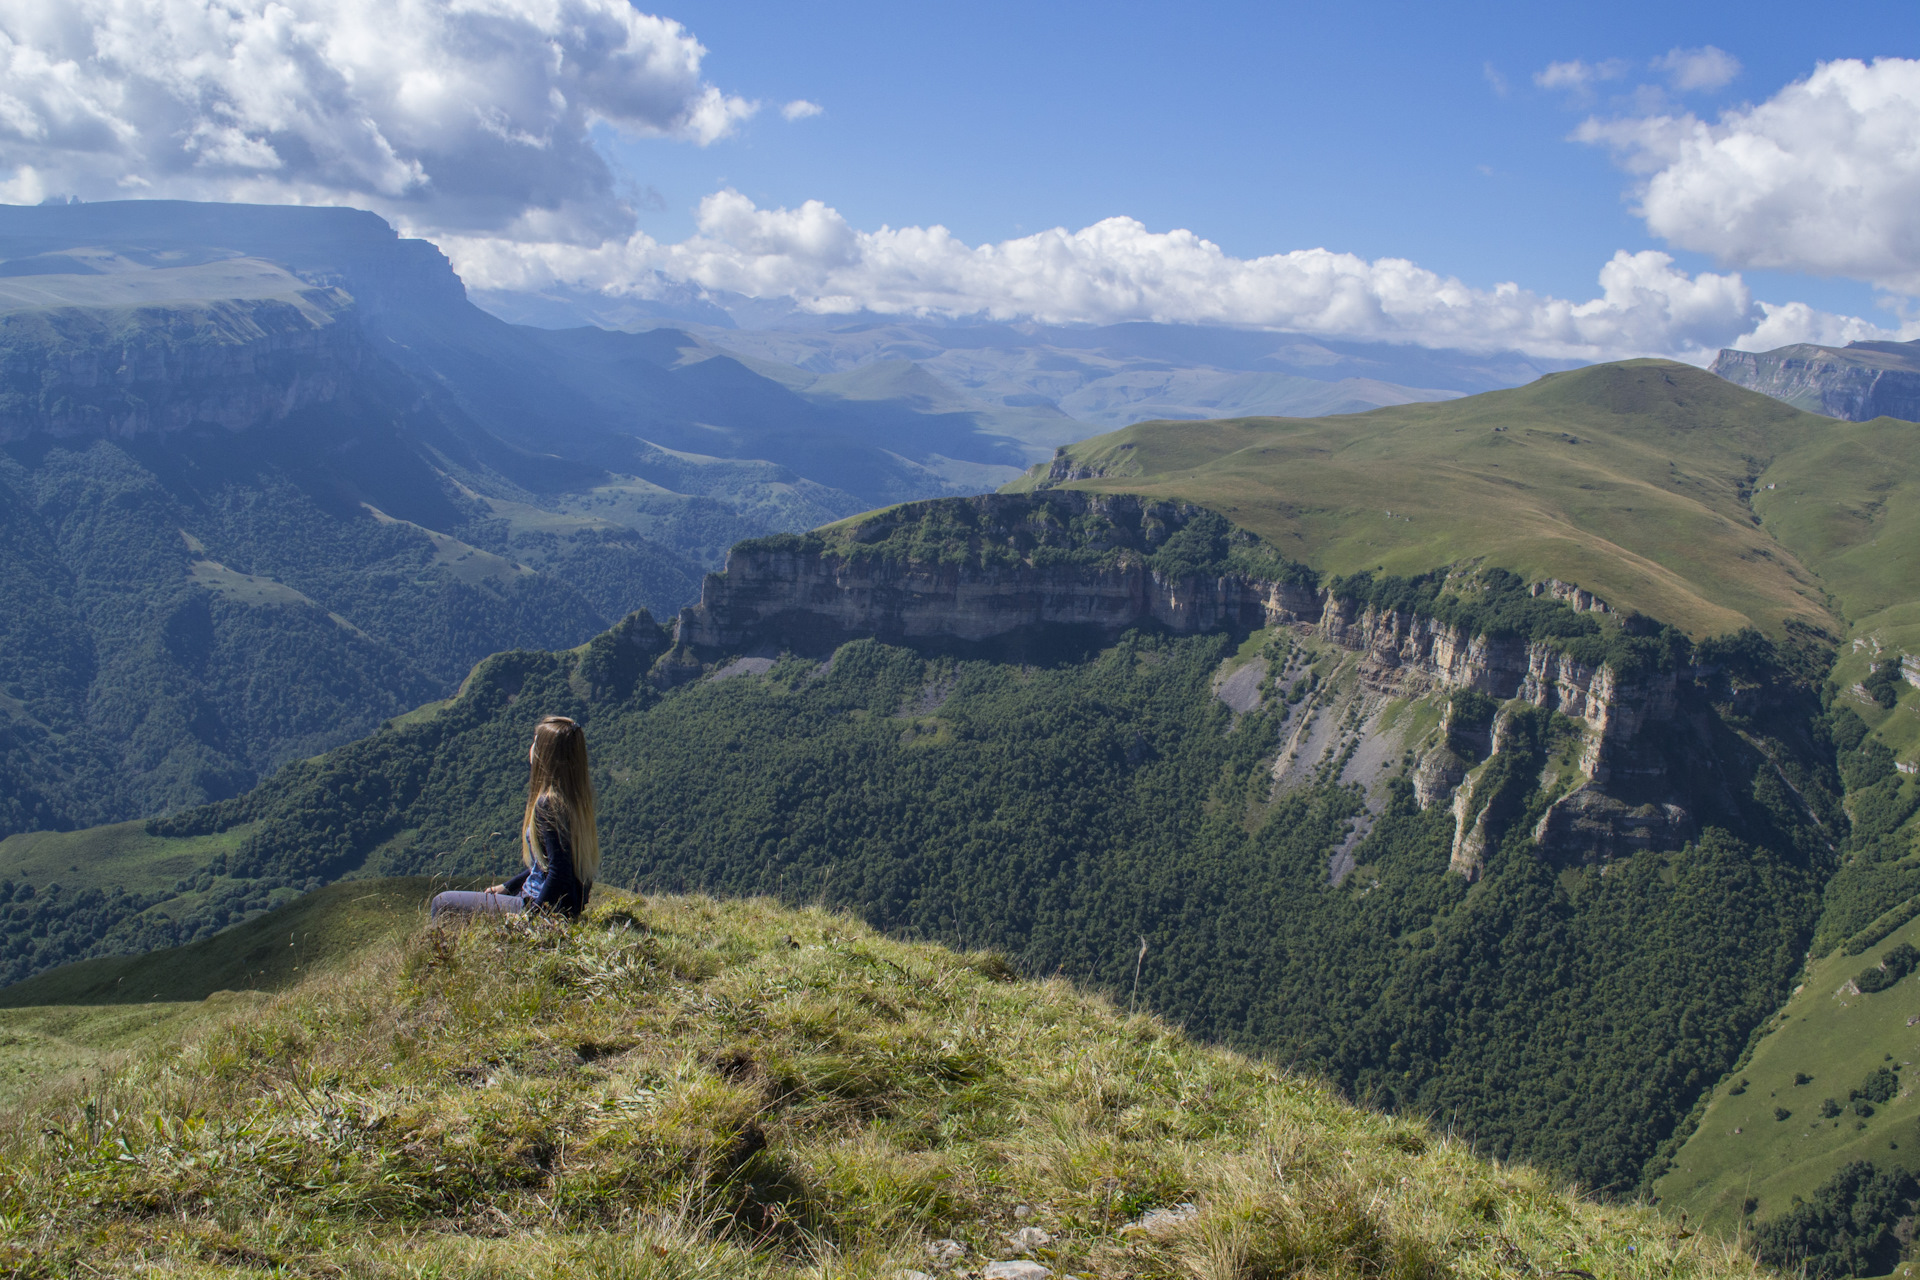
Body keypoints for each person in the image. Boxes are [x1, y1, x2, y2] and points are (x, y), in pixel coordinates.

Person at [430, 715, 599, 920]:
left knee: (442, 902)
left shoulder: (548, 804)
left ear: (544, 754)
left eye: (535, 741)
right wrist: (508, 886)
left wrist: (531, 919)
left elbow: (559, 871)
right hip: (559, 906)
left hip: (535, 904)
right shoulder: (577, 801)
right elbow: (550, 866)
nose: (531, 747)